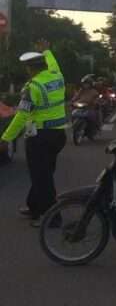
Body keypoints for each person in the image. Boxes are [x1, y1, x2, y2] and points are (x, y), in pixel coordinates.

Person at [0, 45, 68, 227]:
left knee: (42, 178)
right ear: (45, 64)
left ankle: (52, 218)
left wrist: (6, 138)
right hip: (59, 135)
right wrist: (46, 50)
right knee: (44, 173)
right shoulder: (57, 76)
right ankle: (34, 206)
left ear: (30, 69)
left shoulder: (33, 87)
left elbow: (21, 116)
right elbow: (54, 62)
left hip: (39, 139)